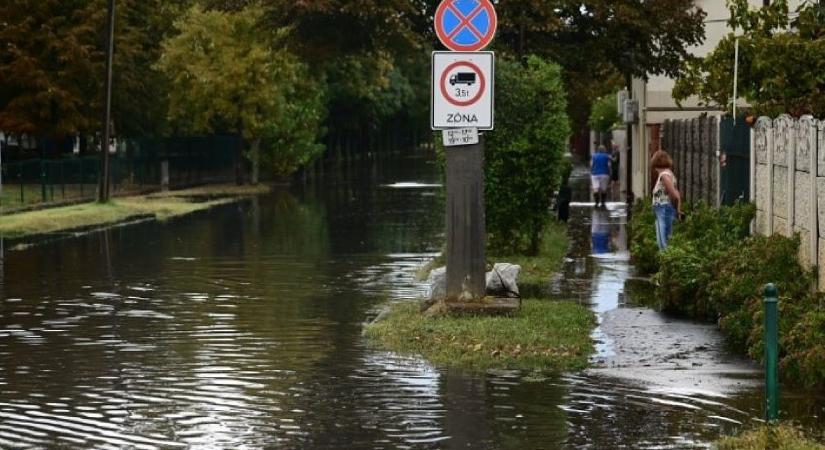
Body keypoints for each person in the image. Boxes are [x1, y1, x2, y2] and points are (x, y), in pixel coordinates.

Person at [651, 149, 683, 250]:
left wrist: (676, 207)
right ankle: (667, 261)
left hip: (663, 208)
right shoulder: (669, 173)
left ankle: (665, 261)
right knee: (666, 239)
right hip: (665, 209)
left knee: (662, 242)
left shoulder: (664, 176)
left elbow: (674, 194)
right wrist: (677, 209)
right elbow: (677, 194)